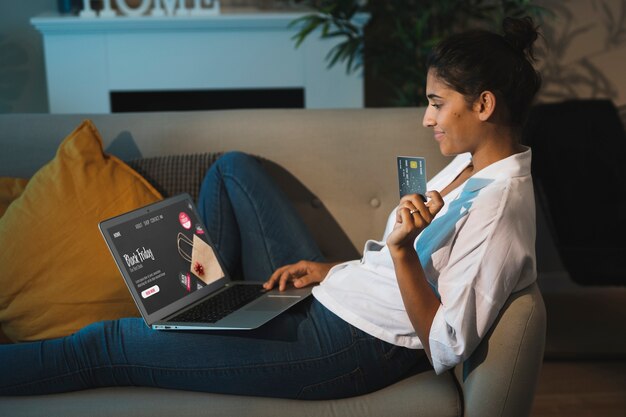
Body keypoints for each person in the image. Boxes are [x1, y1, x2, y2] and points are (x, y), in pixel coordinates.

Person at [0, 16, 542, 399]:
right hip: (336, 298)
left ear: (484, 104)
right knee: (232, 170)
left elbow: (446, 345)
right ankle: (207, 309)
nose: (427, 119)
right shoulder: (470, 167)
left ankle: (196, 323)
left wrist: (399, 253)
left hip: (346, 347)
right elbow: (415, 269)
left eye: (436, 103)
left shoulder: (499, 210)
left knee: (106, 344)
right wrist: (333, 269)